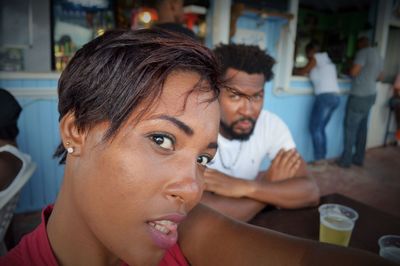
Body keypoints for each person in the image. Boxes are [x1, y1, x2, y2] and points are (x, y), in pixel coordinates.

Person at [0, 29, 392, 266]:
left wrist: (245, 188)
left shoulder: (187, 232)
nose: (192, 189)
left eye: (204, 158)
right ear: (76, 130)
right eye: (162, 139)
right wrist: (265, 190)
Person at [201, 43, 320, 222]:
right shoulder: (195, 127)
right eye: (235, 96)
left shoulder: (270, 125)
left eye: (257, 96)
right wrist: (267, 187)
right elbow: (204, 215)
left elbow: (310, 192)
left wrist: (249, 188)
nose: (248, 111)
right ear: (213, 92)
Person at [337, 37, 384, 168]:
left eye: (358, 43)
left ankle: (345, 161)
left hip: (359, 96)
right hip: (371, 96)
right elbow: (381, 77)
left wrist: (354, 71)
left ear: (361, 43)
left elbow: (353, 72)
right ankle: (358, 158)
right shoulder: (378, 55)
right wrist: (368, 76)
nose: (357, 46)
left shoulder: (362, 53)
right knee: (362, 129)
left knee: (350, 129)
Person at [294, 41, 340, 170]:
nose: (308, 57)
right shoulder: (327, 61)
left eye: (307, 54)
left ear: (311, 51)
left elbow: (303, 71)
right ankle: (322, 159)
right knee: (320, 129)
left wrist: (294, 70)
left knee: (315, 129)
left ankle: (319, 162)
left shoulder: (317, 57)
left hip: (325, 97)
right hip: (334, 97)